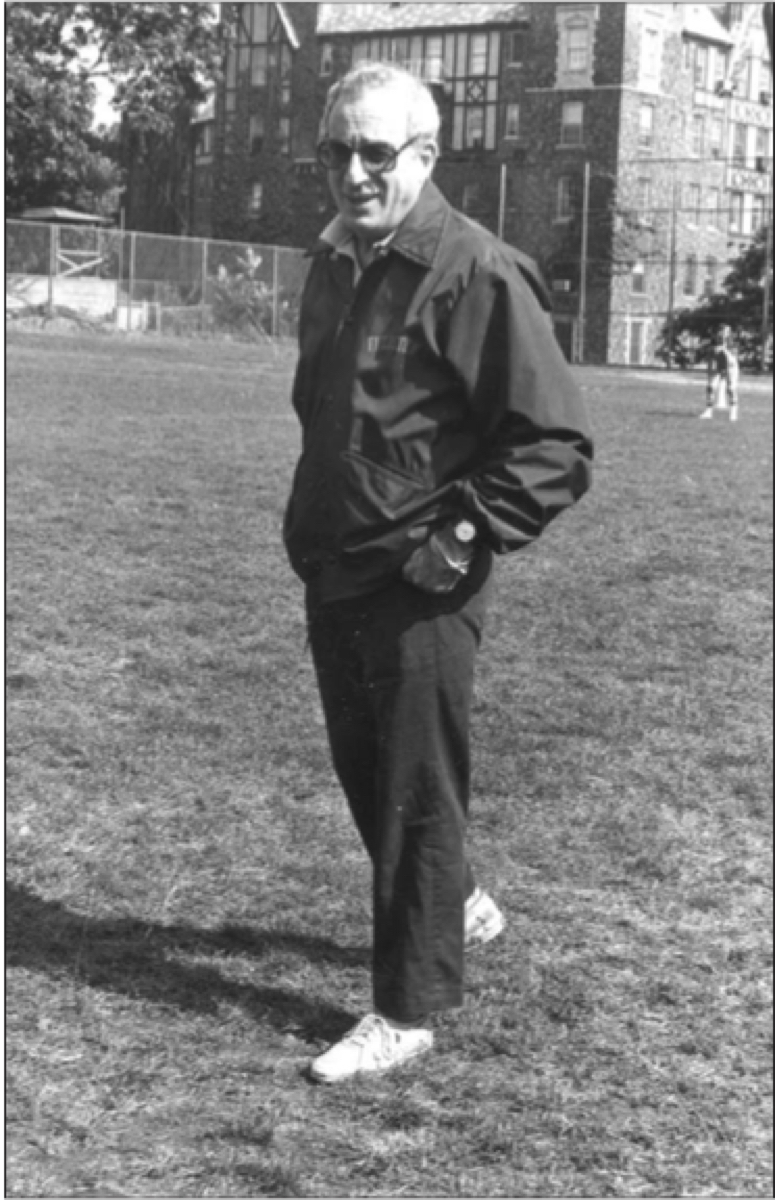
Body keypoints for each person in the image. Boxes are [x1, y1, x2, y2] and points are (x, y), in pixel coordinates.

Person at [283, 63, 594, 1084]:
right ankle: (453, 899)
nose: (353, 174)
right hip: (337, 562)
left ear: (424, 155)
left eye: (376, 154)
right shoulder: (335, 259)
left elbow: (553, 443)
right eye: (336, 152)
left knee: (413, 788)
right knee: (365, 772)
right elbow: (323, 405)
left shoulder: (475, 270)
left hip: (423, 575)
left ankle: (405, 1012)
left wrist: (461, 533)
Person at [700, 325, 740, 421]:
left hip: (731, 366)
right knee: (710, 387)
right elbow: (710, 357)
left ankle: (733, 412)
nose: (722, 334)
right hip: (717, 365)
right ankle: (708, 411)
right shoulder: (713, 342)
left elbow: (732, 359)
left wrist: (724, 350)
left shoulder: (732, 343)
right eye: (721, 331)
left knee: (731, 388)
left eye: (725, 331)